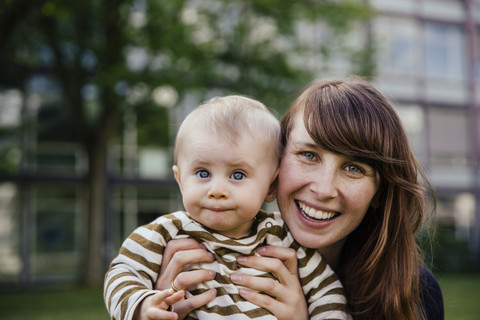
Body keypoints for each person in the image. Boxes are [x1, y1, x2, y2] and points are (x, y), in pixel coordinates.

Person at [154, 79, 445, 320]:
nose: (324, 189)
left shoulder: (413, 293)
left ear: (380, 192)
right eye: (308, 155)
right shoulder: (177, 256)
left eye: (354, 168)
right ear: (275, 165)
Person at [104, 95, 351, 320]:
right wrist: (142, 306)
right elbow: (123, 272)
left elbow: (327, 292)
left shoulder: (283, 239)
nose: (217, 189)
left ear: (271, 186)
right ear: (180, 180)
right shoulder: (165, 232)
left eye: (238, 175)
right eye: (203, 173)